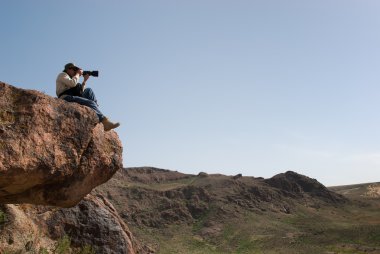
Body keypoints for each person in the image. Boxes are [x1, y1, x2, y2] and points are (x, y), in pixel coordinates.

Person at [56, 63, 120, 131]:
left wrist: (84, 81)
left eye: (76, 70)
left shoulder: (72, 78)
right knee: (90, 102)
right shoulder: (62, 75)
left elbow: (80, 92)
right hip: (65, 97)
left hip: (72, 96)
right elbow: (72, 83)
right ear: (68, 69)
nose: (75, 71)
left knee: (89, 90)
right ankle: (104, 122)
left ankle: (95, 109)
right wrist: (78, 74)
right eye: (74, 69)